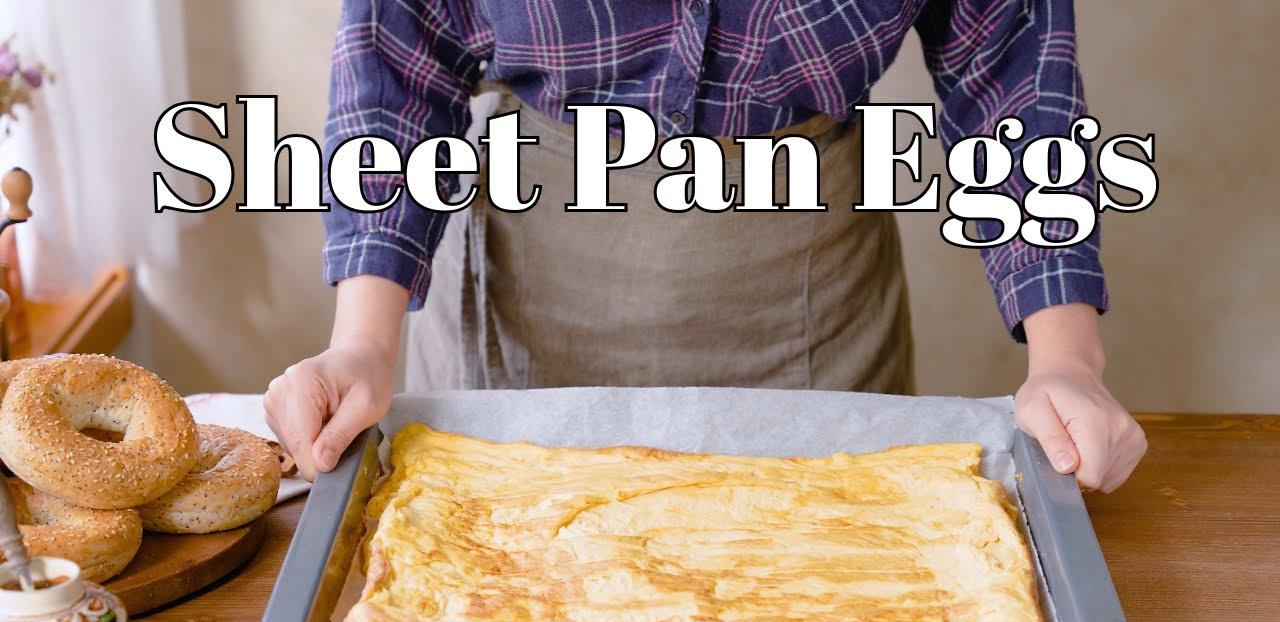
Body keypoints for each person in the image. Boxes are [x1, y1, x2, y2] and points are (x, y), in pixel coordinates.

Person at [266, 0, 1146, 492]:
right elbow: (399, 56)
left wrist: (1066, 357)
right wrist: (363, 342)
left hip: (808, 296)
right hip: (528, 287)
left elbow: (1013, 77)